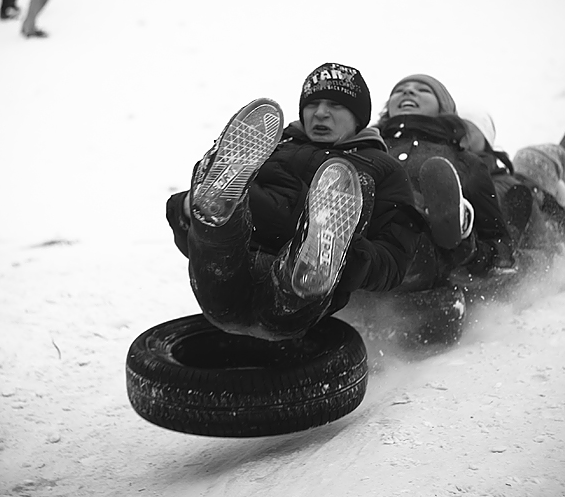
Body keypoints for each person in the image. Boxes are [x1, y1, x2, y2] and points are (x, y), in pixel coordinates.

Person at [166, 62, 422, 340]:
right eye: (313, 104)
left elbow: (394, 259)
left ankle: (318, 252)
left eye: (335, 105)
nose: (320, 113)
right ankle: (213, 213)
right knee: (218, 233)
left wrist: (348, 252)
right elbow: (189, 240)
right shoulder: (272, 148)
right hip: (232, 264)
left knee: (354, 190)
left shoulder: (383, 168)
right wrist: (183, 209)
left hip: (298, 296)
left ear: (358, 116)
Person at [375, 75, 514, 291]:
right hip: (363, 261)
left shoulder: (464, 162)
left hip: (429, 276)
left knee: (422, 195)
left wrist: (471, 251)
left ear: (444, 107)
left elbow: (500, 246)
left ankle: (454, 221)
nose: (408, 92)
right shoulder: (369, 150)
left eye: (423, 90)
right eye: (399, 90)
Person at [459, 109, 534, 248]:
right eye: (454, 130)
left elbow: (540, 247)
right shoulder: (439, 173)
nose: (459, 137)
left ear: (486, 138)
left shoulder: (510, 186)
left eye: (466, 130)